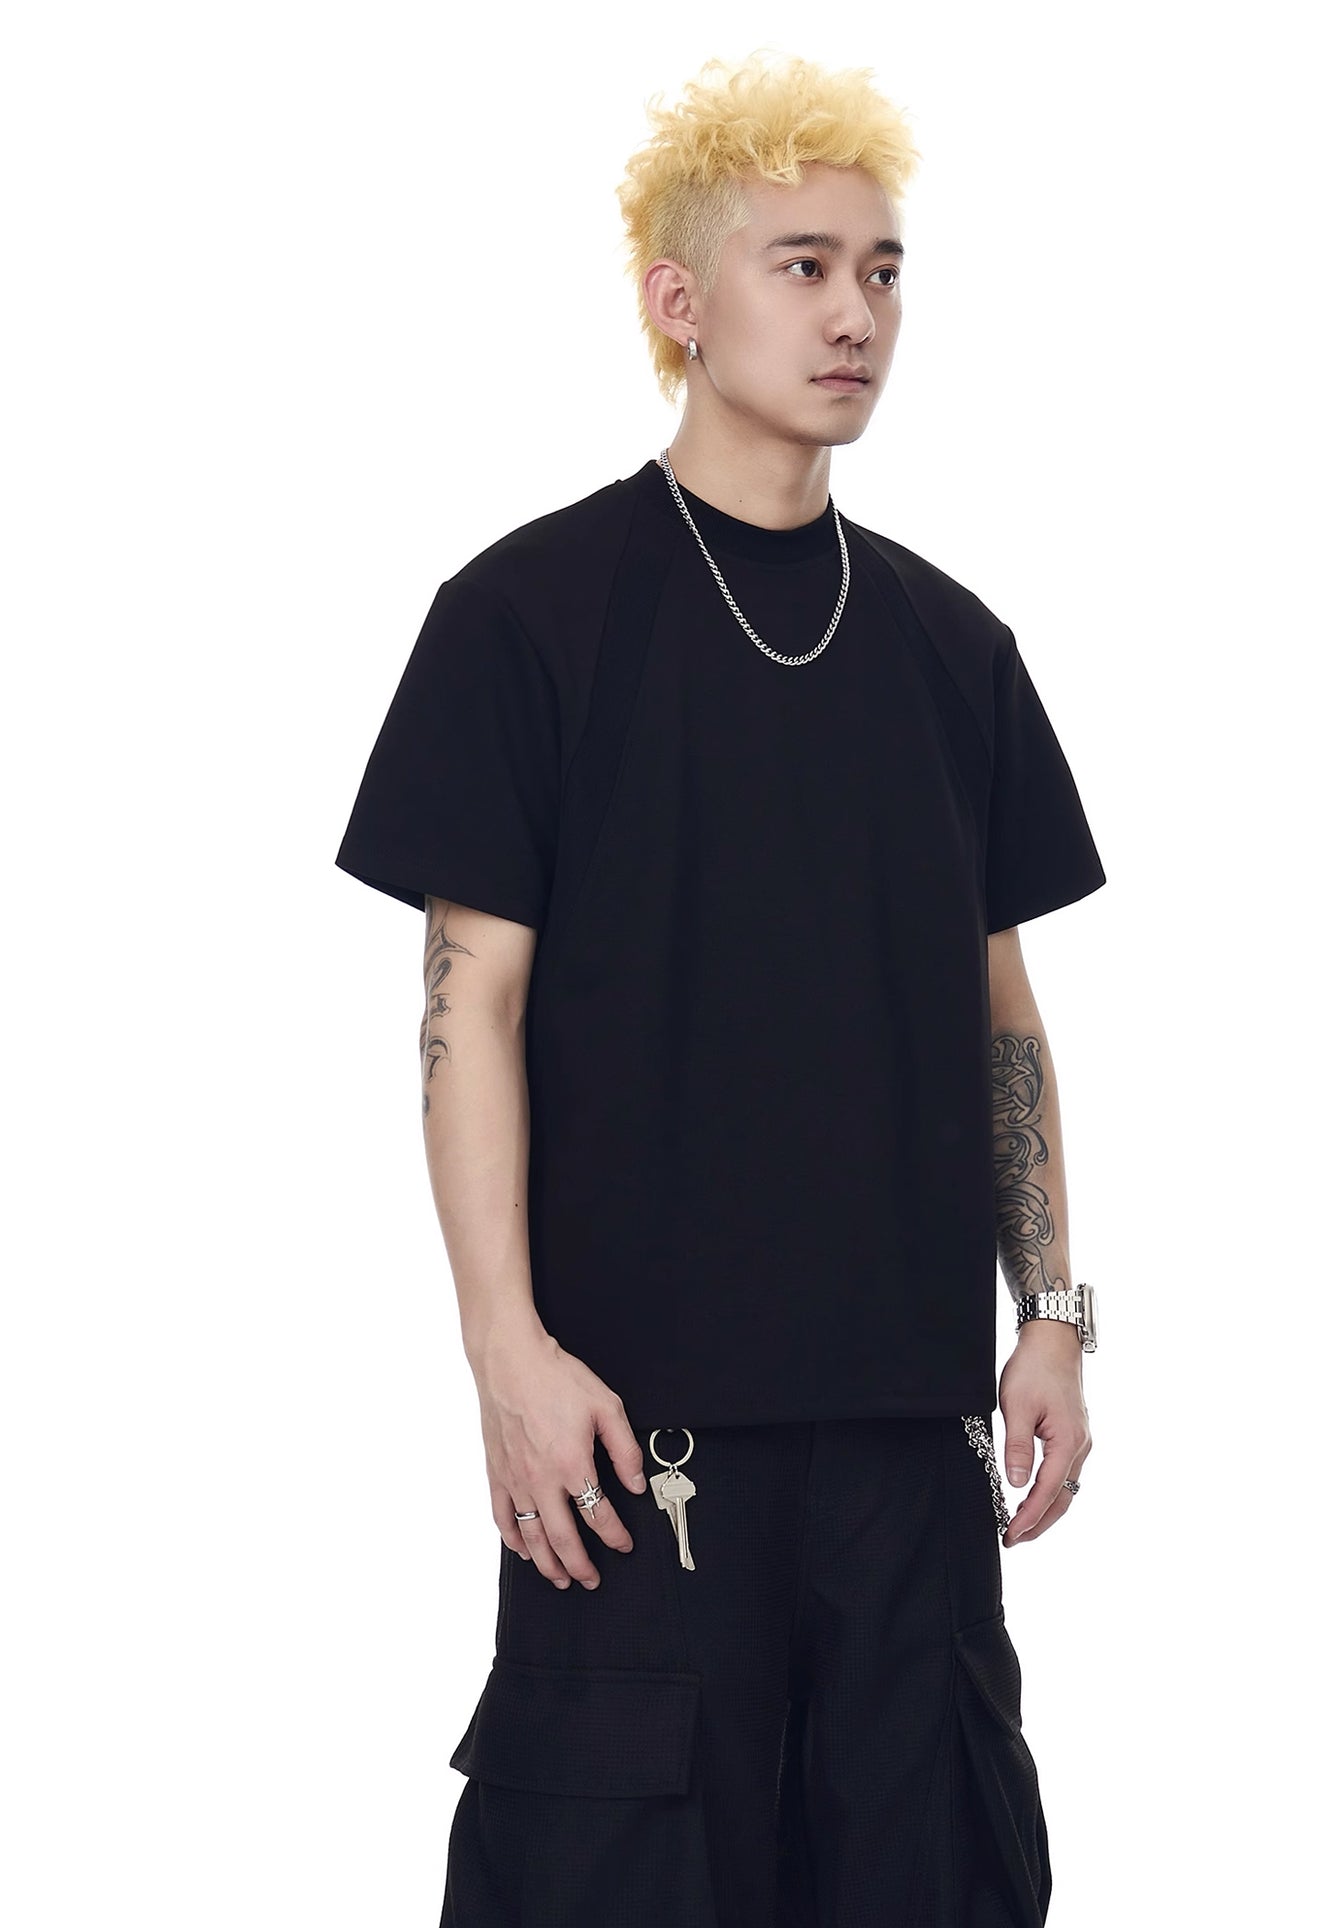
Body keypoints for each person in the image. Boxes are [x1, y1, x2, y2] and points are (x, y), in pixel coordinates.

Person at [334, 47, 1105, 1928]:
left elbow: (998, 1015)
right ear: (679, 301)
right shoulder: (526, 619)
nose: (856, 317)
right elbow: (464, 1015)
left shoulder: (951, 647)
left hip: (907, 1450)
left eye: (884, 270)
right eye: (804, 266)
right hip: (630, 1440)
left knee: (934, 1878)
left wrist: (1052, 1314)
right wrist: (504, 1354)